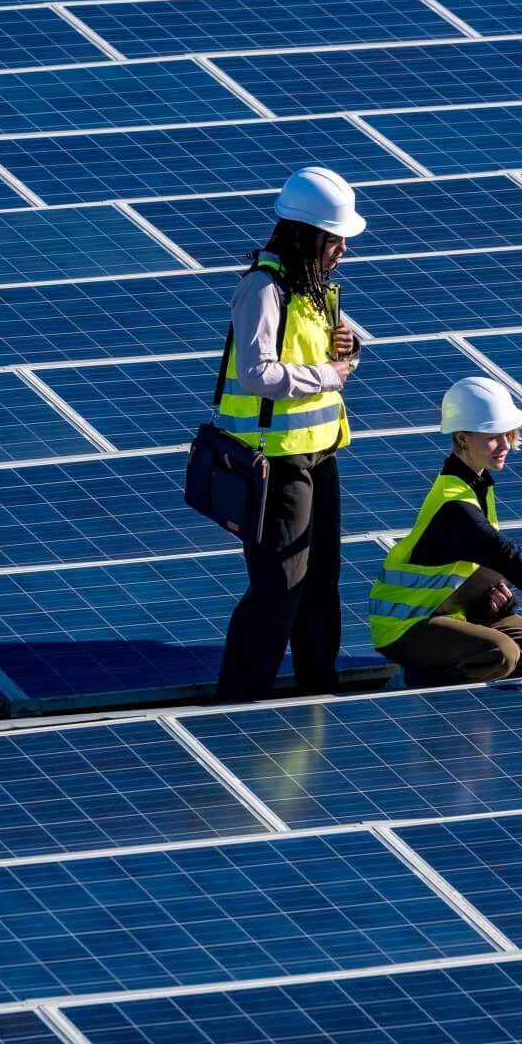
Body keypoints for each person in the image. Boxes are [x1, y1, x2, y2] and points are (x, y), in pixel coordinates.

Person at [214, 166, 363, 702]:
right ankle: (241, 697)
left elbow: (320, 360)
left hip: (319, 456)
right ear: (306, 235)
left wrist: (348, 349)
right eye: (334, 238)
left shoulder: (312, 288)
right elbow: (259, 374)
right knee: (279, 587)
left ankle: (318, 686)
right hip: (276, 463)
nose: (342, 249)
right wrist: (329, 374)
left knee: (320, 581)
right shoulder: (262, 288)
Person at [368, 376, 522, 688]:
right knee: (502, 654)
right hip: (406, 626)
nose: (505, 445)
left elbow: (477, 565)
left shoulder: (478, 485)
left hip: (452, 611)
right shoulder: (454, 505)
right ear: (462, 438)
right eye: (492, 437)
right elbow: (505, 556)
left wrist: (489, 598)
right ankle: (412, 679)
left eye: (507, 434)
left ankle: (461, 662)